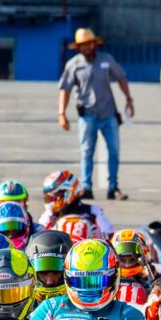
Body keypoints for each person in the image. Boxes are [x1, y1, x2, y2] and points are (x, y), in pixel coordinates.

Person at [31, 238, 149, 320]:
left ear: (113, 277)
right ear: (68, 277)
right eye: (80, 281)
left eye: (95, 281)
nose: (88, 289)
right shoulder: (51, 307)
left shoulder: (126, 313)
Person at [57, 28, 134, 201]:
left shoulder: (106, 60)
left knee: (114, 151)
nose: (86, 48)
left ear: (95, 44)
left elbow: (121, 77)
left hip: (108, 114)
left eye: (89, 44)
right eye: (82, 45)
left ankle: (113, 187)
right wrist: (61, 113)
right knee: (86, 152)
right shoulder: (74, 65)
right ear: (78, 47)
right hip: (87, 114)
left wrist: (129, 99)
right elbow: (65, 89)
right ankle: (86, 187)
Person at [38, 169, 113, 234]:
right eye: (49, 197)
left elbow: (109, 237)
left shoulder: (94, 212)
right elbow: (39, 239)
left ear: (69, 191)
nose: (51, 200)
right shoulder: (49, 216)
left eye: (55, 196)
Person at [25, 230, 73, 307]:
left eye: (55, 273)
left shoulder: (79, 304)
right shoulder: (22, 304)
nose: (49, 281)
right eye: (43, 273)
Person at [112, 228, 159, 294]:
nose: (127, 264)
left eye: (132, 259)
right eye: (122, 259)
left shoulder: (152, 275)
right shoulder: (109, 278)